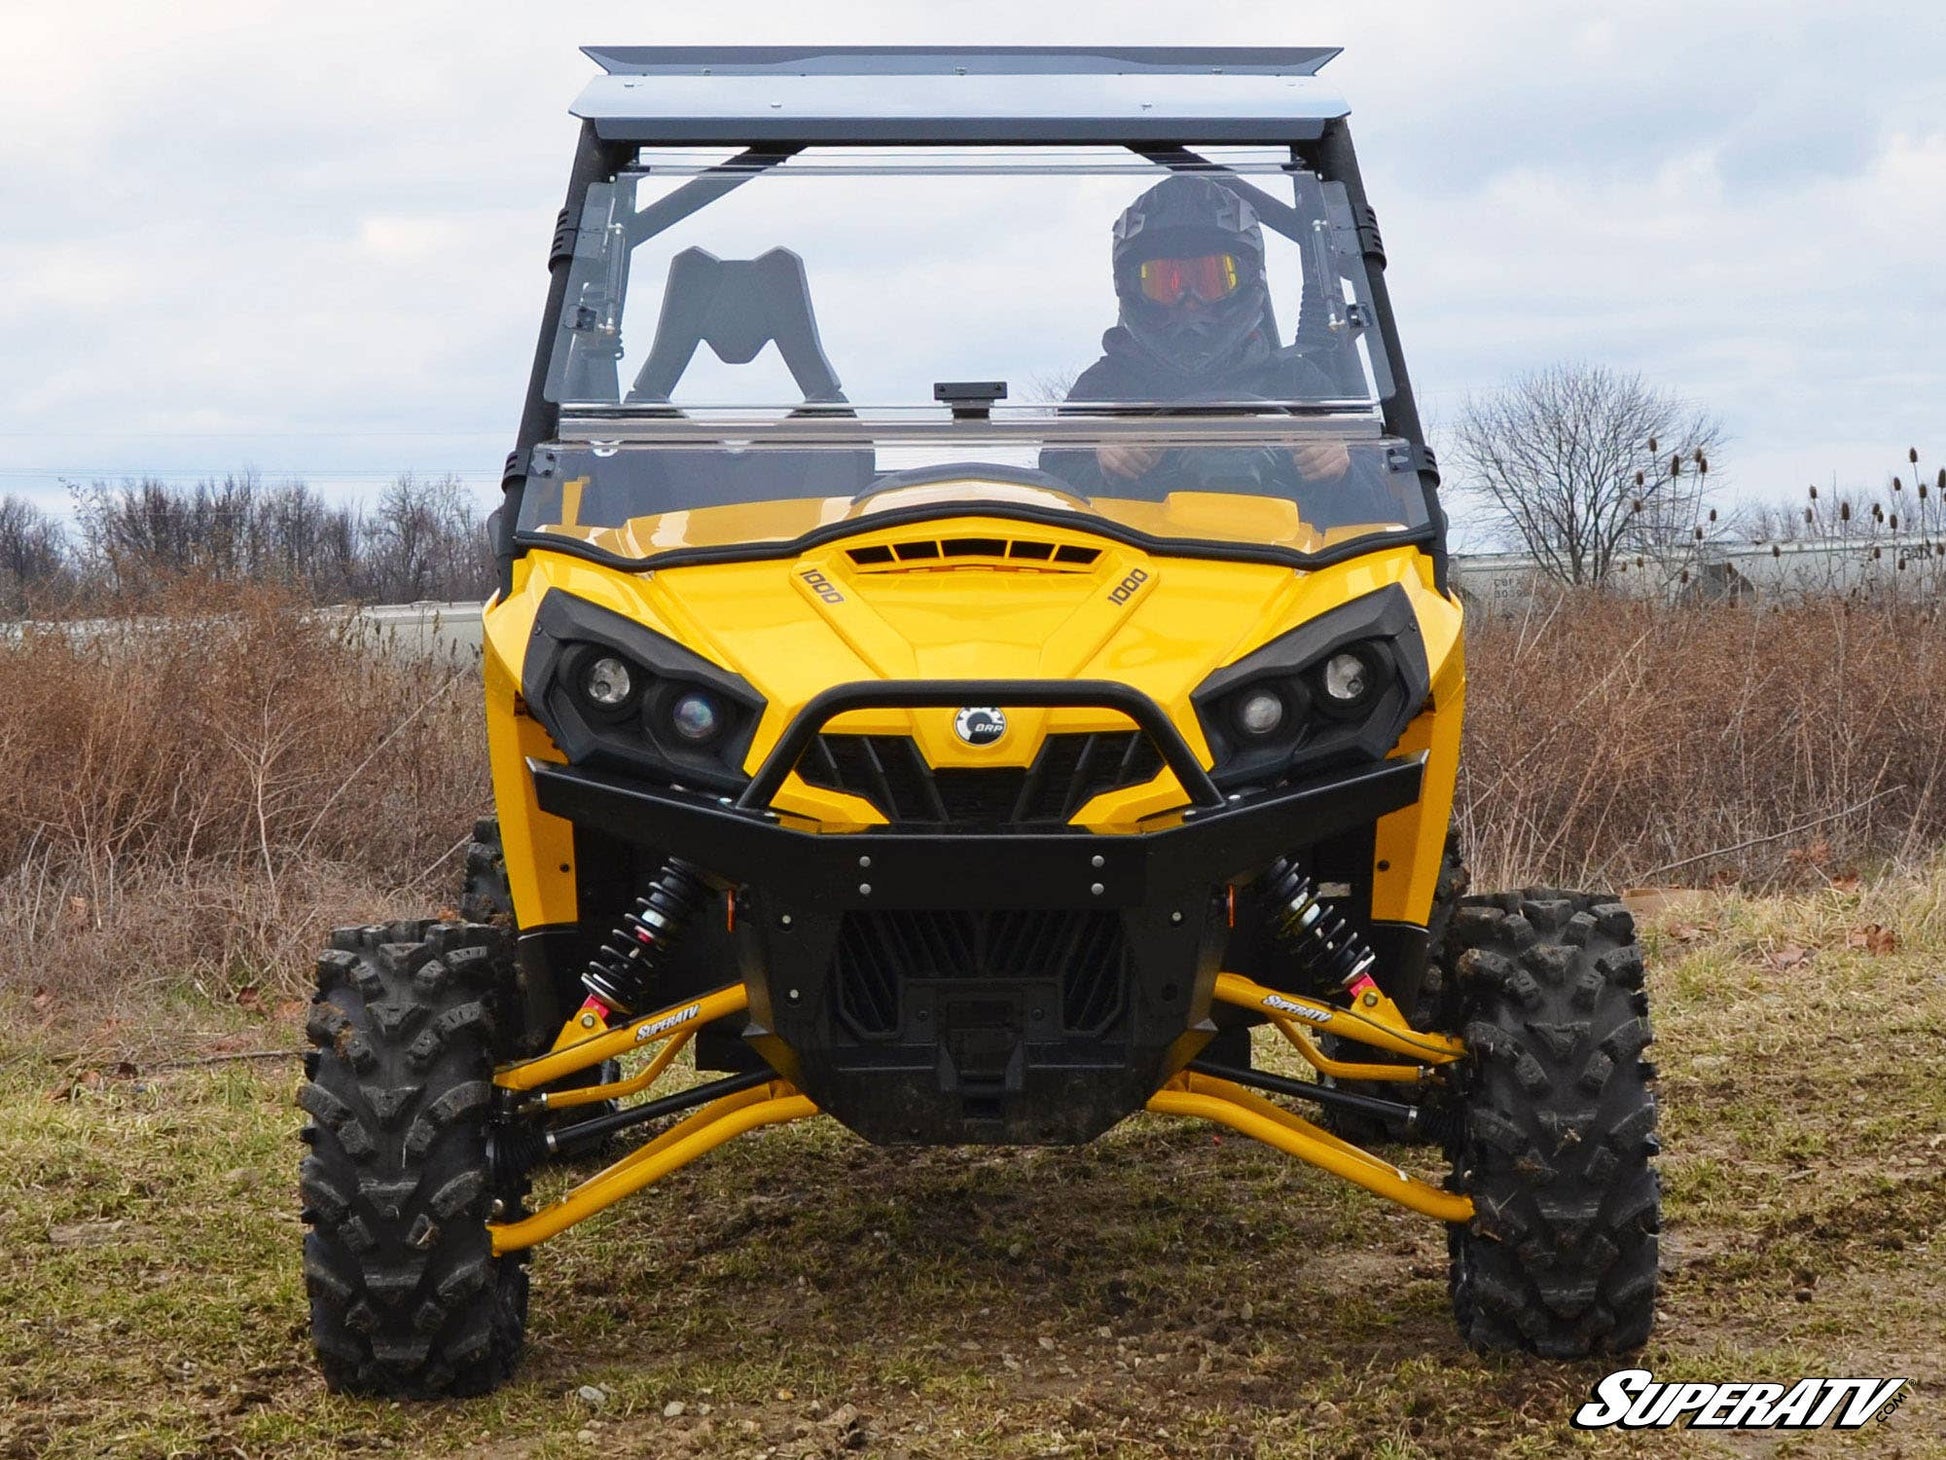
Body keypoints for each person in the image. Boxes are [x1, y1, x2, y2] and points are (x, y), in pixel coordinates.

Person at [1040, 173, 1354, 496]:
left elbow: (1384, 487)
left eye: (1212, 279)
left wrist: (1342, 465)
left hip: (1283, 546)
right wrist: (1102, 464)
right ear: (1131, 288)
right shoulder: (1103, 389)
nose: (1190, 302)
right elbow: (1053, 488)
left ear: (1247, 281)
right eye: (1165, 283)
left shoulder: (1297, 383)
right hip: (1134, 545)